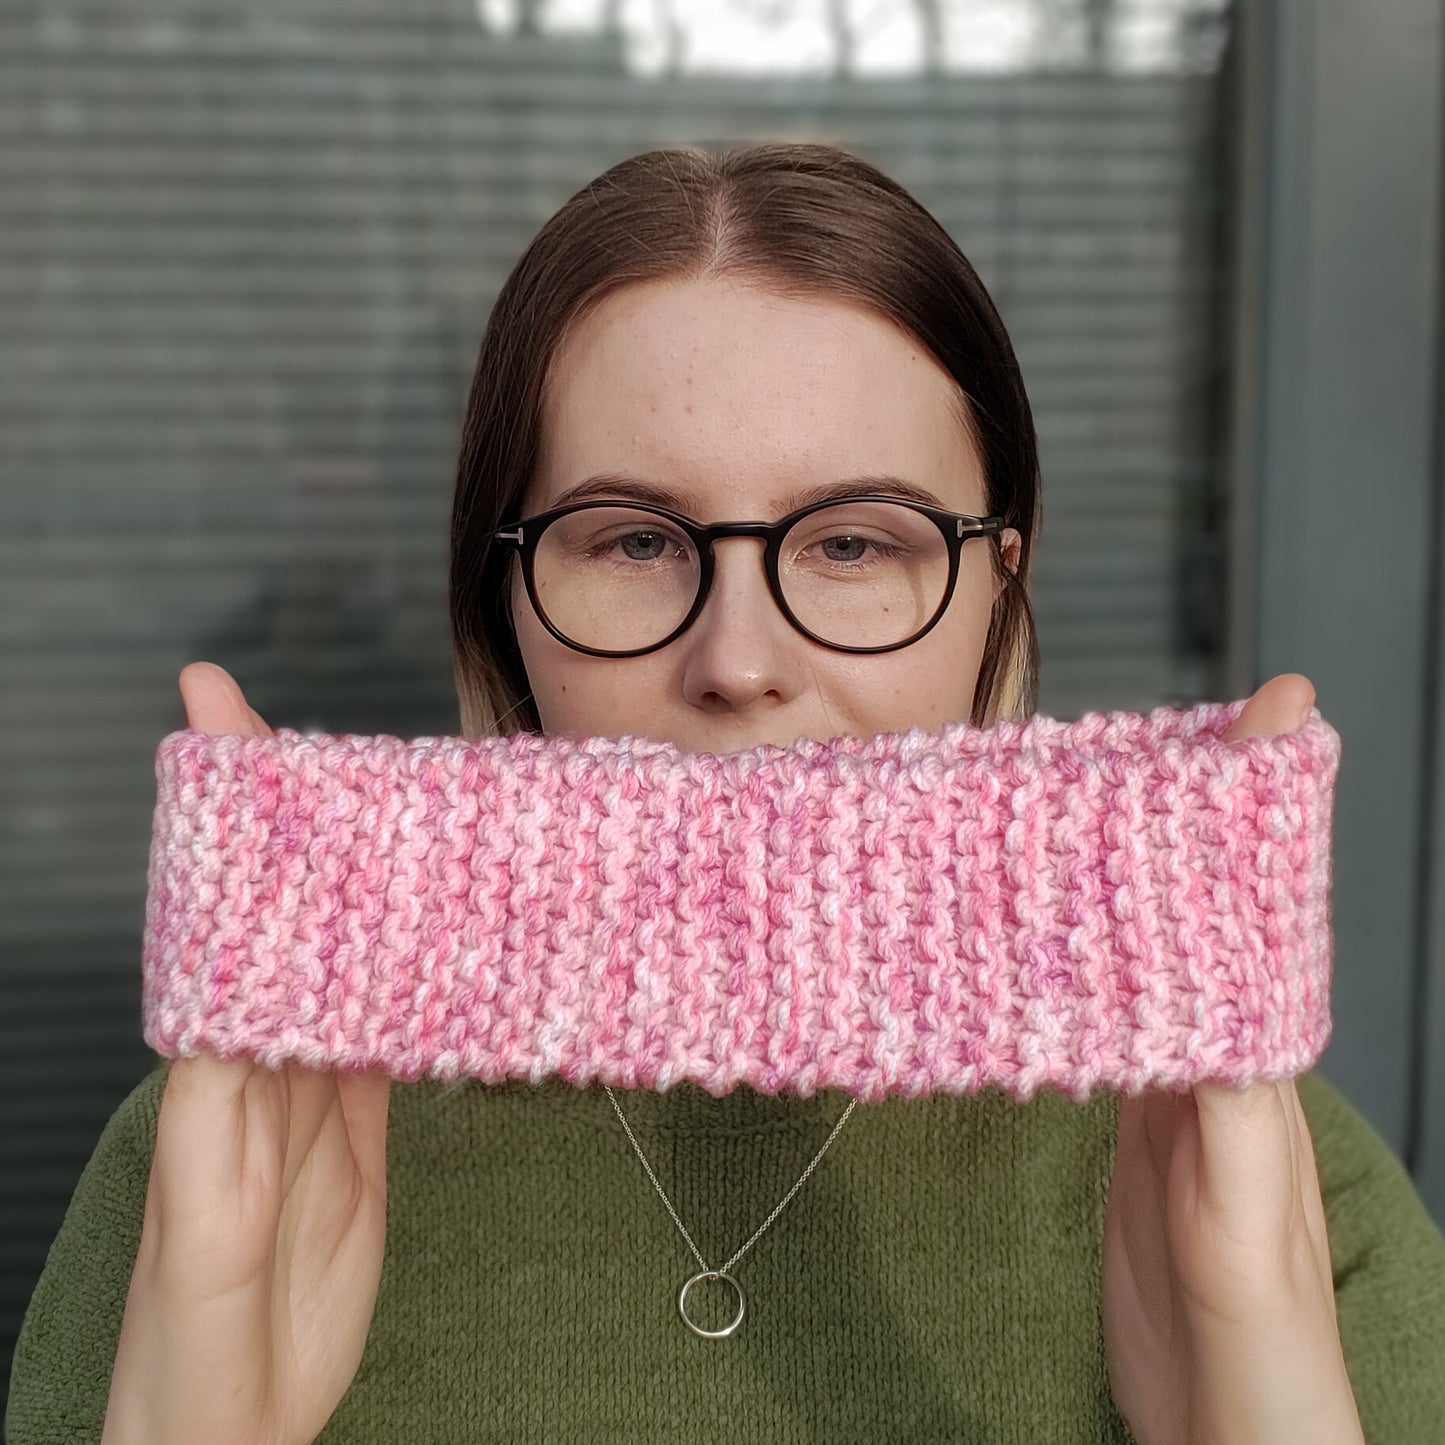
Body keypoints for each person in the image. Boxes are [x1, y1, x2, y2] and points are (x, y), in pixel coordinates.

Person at [8, 141, 1445, 1445]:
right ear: (500, 597)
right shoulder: (237, 1150)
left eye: (853, 544)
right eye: (632, 541)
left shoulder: (1255, 1176)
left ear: (1001, 582)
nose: (738, 663)